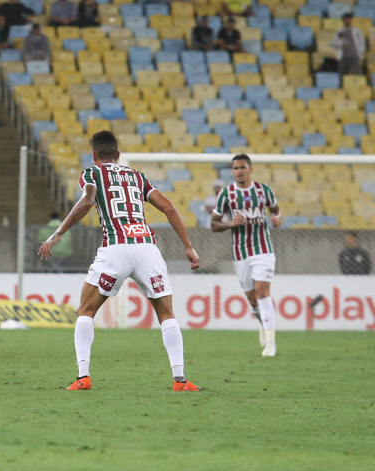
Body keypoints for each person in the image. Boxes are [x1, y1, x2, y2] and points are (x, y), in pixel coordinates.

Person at [39, 130, 202, 391]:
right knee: (166, 314)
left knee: (86, 311)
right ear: (118, 155)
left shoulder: (92, 173)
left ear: (94, 155)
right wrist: (189, 247)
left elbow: (87, 200)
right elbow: (169, 207)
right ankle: (180, 380)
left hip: (116, 247)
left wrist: (58, 233)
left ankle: (83, 377)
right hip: (147, 248)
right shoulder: (137, 176)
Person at [211, 154, 282, 357]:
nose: (239, 171)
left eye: (242, 167)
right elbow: (214, 224)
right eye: (235, 168)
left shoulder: (263, 190)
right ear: (232, 171)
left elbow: (276, 210)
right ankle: (263, 323)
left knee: (262, 292)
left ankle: (270, 343)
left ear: (250, 169)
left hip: (263, 249)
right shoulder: (226, 194)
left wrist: (277, 219)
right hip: (240, 252)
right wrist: (230, 223)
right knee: (252, 299)